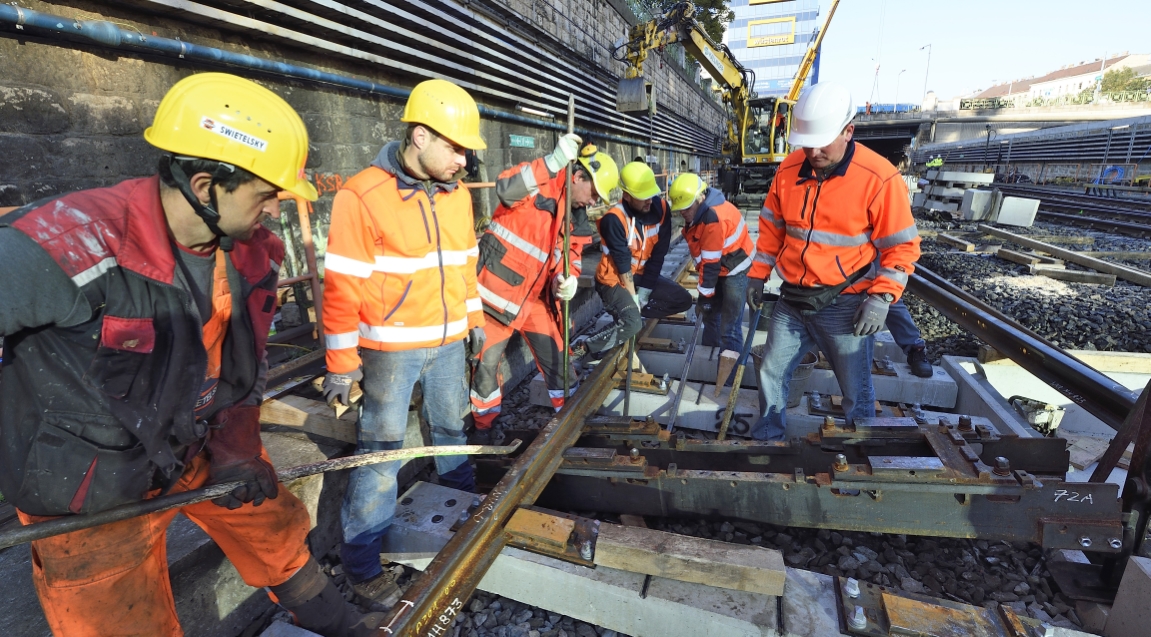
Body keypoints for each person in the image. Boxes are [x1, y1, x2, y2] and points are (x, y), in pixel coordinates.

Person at [0, 73, 381, 636]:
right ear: (206, 187)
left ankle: (343, 626)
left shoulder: (250, 254)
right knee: (120, 623)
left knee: (274, 528)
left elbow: (245, 368)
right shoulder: (64, 246)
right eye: (267, 194)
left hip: (193, 443)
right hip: (88, 485)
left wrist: (237, 446)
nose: (276, 210)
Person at [320, 79, 487, 606]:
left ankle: (462, 502)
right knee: (381, 452)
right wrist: (342, 366)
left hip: (449, 340)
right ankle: (362, 563)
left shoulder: (457, 195)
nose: (463, 160)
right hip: (391, 349)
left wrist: (474, 318)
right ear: (420, 136)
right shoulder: (362, 195)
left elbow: (464, 265)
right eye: (456, 147)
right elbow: (342, 287)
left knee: (450, 424)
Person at [747, 81, 921, 441]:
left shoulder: (879, 178)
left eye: (823, 141)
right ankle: (768, 437)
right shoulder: (788, 171)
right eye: (806, 143)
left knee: (855, 389)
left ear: (848, 131)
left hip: (845, 304)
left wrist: (882, 297)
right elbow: (772, 230)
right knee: (772, 371)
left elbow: (902, 248)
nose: (813, 151)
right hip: (793, 299)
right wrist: (757, 274)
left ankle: (858, 449)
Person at [470, 138, 619, 443]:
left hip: (534, 300)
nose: (593, 203)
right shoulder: (537, 183)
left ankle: (570, 422)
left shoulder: (575, 219)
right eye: (593, 194)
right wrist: (551, 163)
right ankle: (483, 428)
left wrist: (566, 280)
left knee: (559, 360)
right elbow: (505, 189)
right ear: (578, 177)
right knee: (486, 367)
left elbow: (571, 257)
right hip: (495, 300)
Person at [573, 162, 692, 359]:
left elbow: (658, 257)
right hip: (612, 281)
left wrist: (643, 294)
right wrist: (633, 297)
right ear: (627, 196)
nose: (649, 201)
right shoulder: (615, 219)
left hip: (640, 275)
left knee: (683, 300)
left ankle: (631, 317)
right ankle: (586, 348)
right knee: (633, 323)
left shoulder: (661, 209)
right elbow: (621, 264)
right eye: (642, 197)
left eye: (650, 195)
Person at [668, 172, 755, 391]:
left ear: (699, 199)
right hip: (719, 266)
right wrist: (706, 300)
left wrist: (705, 297)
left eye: (686, 208)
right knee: (710, 318)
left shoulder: (713, 218)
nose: (682, 213)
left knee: (730, 328)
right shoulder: (698, 215)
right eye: (680, 209)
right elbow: (707, 263)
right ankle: (709, 359)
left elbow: (711, 264)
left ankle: (730, 384)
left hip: (736, 268)